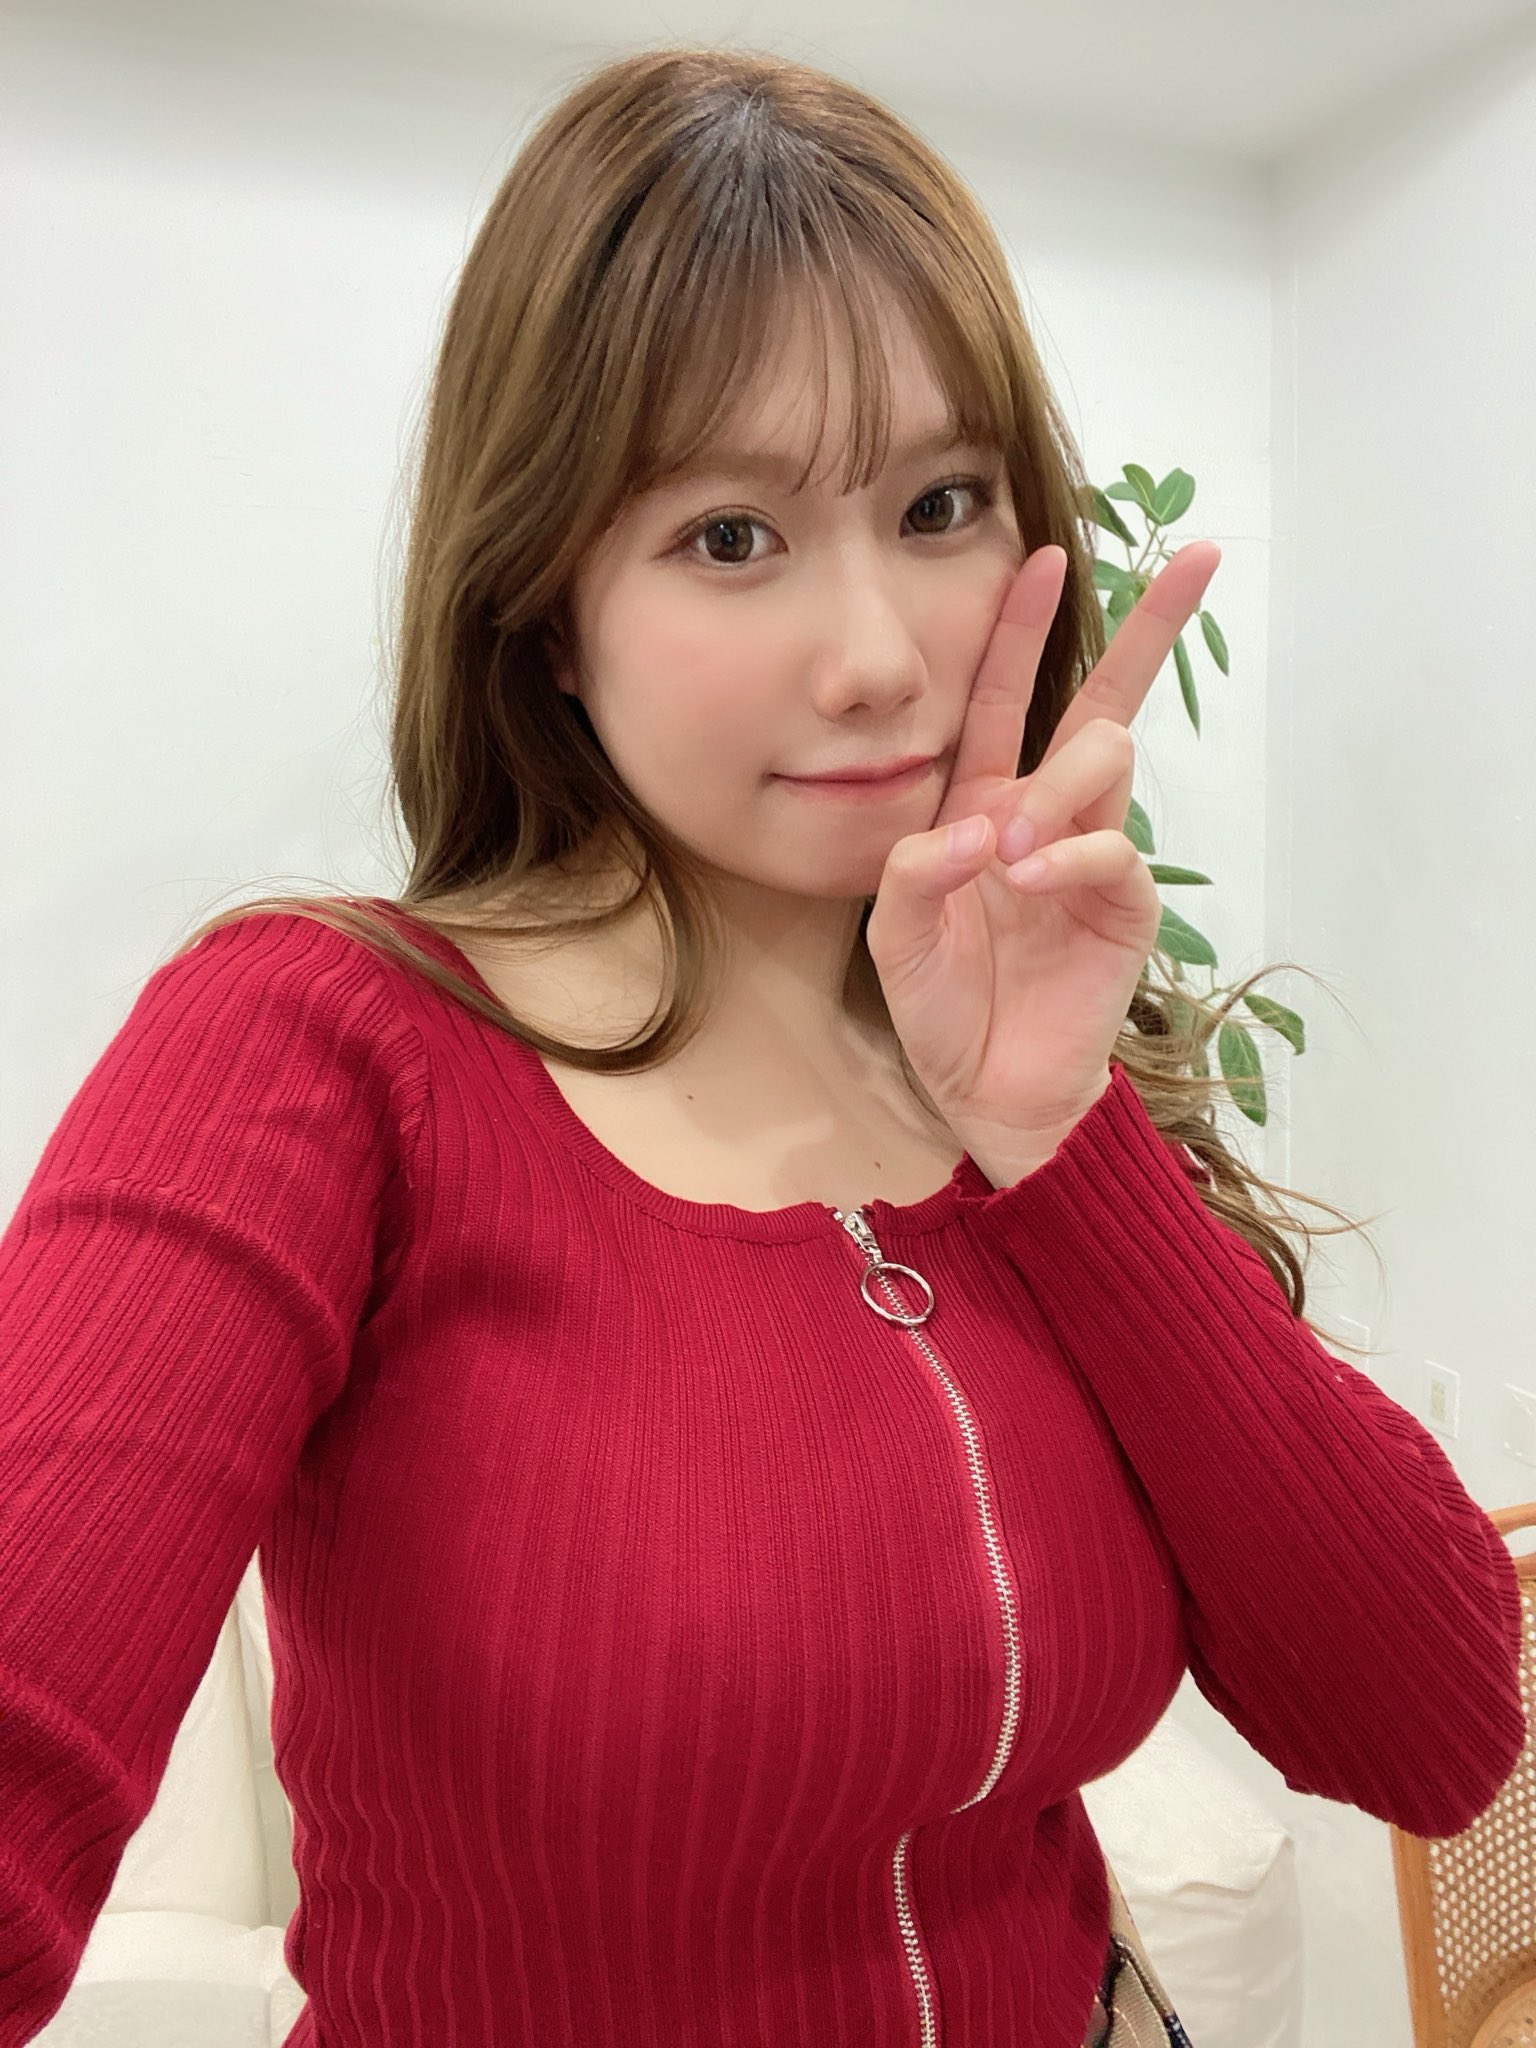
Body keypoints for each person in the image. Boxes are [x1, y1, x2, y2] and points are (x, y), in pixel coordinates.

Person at [0, 44, 1524, 2048]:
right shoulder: (318, 1053)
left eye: (940, 504)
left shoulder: (1029, 1056)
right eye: (732, 535)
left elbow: (1435, 1726)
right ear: (548, 607)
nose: (880, 655)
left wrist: (1062, 1142)